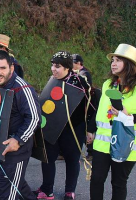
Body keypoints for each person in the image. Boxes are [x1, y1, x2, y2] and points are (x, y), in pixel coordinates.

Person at [0, 50, 41, 199]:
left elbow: (35, 118)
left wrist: (18, 140)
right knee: (18, 184)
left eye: (2, 68)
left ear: (11, 68)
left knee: (6, 192)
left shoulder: (23, 89)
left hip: (17, 148)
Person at [35, 51, 96, 200]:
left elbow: (92, 106)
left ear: (67, 67)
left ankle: (70, 191)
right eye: (52, 65)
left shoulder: (81, 82)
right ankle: (47, 190)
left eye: (57, 66)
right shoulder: (52, 80)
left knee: (72, 159)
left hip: (74, 129)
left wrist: (91, 129)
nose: (53, 69)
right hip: (52, 127)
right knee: (47, 158)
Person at [89, 43, 136, 200]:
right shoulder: (108, 84)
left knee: (118, 183)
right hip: (102, 143)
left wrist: (128, 116)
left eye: (118, 60)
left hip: (125, 145)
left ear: (129, 65)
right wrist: (91, 129)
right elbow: (100, 110)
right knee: (96, 180)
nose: (113, 63)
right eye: (113, 60)